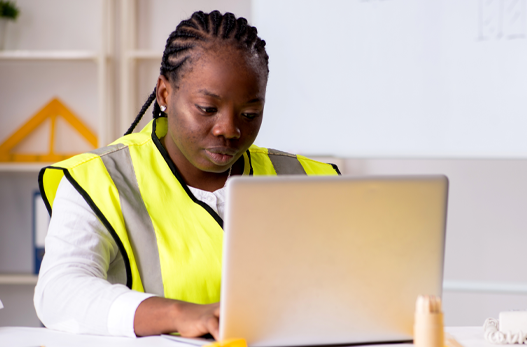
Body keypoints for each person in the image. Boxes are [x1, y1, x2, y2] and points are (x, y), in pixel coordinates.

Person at [34, 11, 339, 339]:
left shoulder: (309, 179)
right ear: (164, 94)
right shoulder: (98, 179)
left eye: (250, 114)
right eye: (207, 109)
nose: (229, 130)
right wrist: (180, 315)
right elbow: (58, 293)